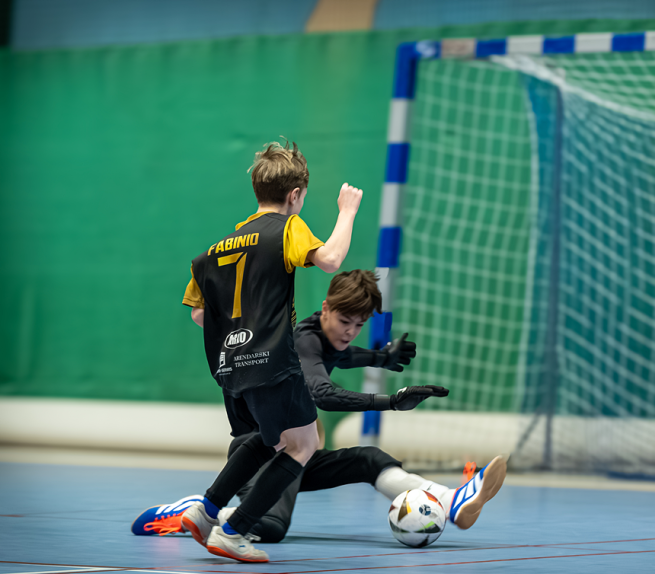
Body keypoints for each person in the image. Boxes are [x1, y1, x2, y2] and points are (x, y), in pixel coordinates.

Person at [134, 270, 506, 543]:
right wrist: (390, 401)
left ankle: (452, 501)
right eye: (345, 321)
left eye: (359, 325)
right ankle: (191, 512)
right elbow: (322, 392)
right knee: (269, 528)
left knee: (368, 459)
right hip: (259, 453)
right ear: (325, 308)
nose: (350, 331)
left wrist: (379, 357)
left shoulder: (327, 338)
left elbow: (341, 354)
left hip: (295, 455)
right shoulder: (305, 341)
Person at [178, 140, 363, 562]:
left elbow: (199, 317)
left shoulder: (214, 251)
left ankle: (205, 510)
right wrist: (347, 211)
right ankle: (235, 529)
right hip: (272, 362)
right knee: (304, 444)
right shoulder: (286, 228)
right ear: (294, 196)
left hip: (230, 369)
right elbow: (331, 258)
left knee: (272, 439)